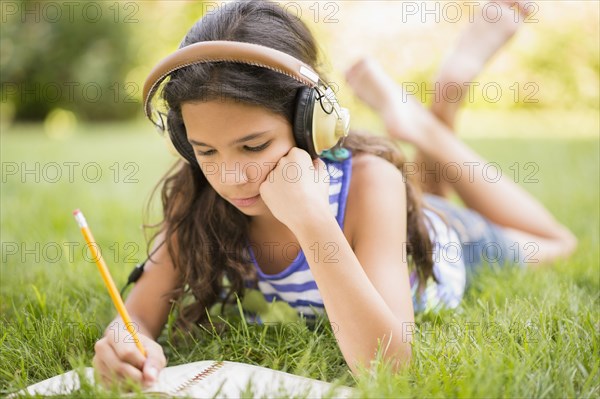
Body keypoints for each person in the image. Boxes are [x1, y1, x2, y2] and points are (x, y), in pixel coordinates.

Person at [92, 0, 577, 389]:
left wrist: (313, 221)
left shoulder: (372, 182)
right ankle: (422, 120)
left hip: (450, 241)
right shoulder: (196, 191)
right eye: (205, 149)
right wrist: (125, 341)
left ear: (312, 125)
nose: (232, 176)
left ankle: (435, 112)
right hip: (397, 222)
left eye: (254, 145)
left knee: (556, 244)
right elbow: (136, 314)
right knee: (428, 192)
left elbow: (388, 364)